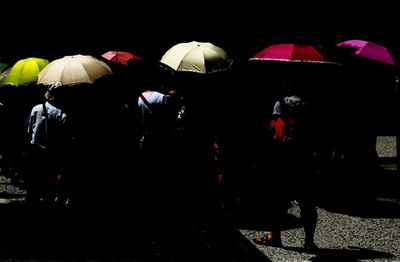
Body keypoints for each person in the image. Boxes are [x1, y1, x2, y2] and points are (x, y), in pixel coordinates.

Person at [254, 79, 319, 251]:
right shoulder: (311, 105)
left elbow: (275, 131)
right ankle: (309, 241)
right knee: (307, 202)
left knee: (278, 200)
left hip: (283, 159)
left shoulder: (280, 103)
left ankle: (275, 236)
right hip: (305, 159)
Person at [25, 81, 72, 207]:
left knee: (33, 185)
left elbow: (29, 130)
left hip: (35, 152)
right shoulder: (62, 115)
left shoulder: (36, 108)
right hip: (52, 154)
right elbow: (65, 139)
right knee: (49, 187)